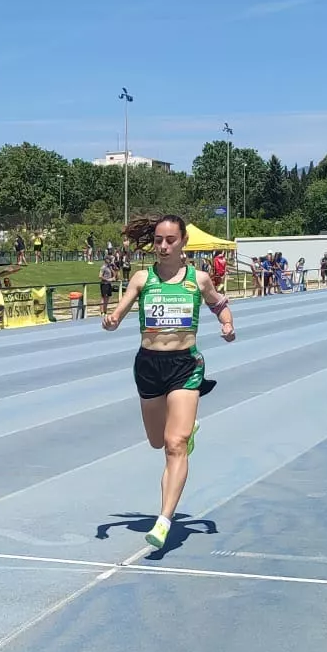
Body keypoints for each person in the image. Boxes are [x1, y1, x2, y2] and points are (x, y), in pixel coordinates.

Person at [103, 215, 236, 551]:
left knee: (175, 443)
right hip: (148, 366)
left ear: (183, 242)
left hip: (185, 365)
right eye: (159, 240)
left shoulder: (198, 279)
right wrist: (112, 320)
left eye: (170, 240)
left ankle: (164, 520)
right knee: (156, 441)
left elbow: (219, 304)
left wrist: (227, 324)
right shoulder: (142, 278)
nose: (163, 246)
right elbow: (117, 314)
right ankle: (183, 434)